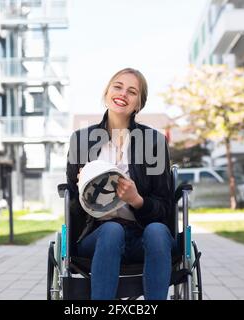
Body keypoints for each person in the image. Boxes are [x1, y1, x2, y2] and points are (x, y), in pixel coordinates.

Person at [66, 68, 174, 300]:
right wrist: (81, 186)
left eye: (132, 91)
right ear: (107, 93)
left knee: (157, 231)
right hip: (96, 236)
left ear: (138, 104)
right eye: (117, 86)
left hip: (141, 235)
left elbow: (165, 208)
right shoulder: (81, 141)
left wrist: (137, 200)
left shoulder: (153, 142)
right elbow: (72, 207)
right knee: (112, 230)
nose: (123, 93)